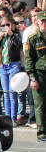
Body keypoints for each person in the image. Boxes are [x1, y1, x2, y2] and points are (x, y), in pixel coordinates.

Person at [0, 14, 23, 120]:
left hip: (14, 64)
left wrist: (11, 34)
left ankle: (13, 118)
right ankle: (7, 118)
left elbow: (19, 45)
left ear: (12, 24)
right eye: (3, 25)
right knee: (6, 93)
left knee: (12, 93)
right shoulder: (1, 36)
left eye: (7, 25)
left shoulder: (16, 34)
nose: (5, 27)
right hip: (3, 66)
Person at [24, 11, 46, 142]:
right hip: (39, 74)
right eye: (42, 21)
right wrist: (32, 77)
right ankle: (42, 132)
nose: (44, 24)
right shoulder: (33, 38)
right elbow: (29, 60)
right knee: (40, 105)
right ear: (38, 22)